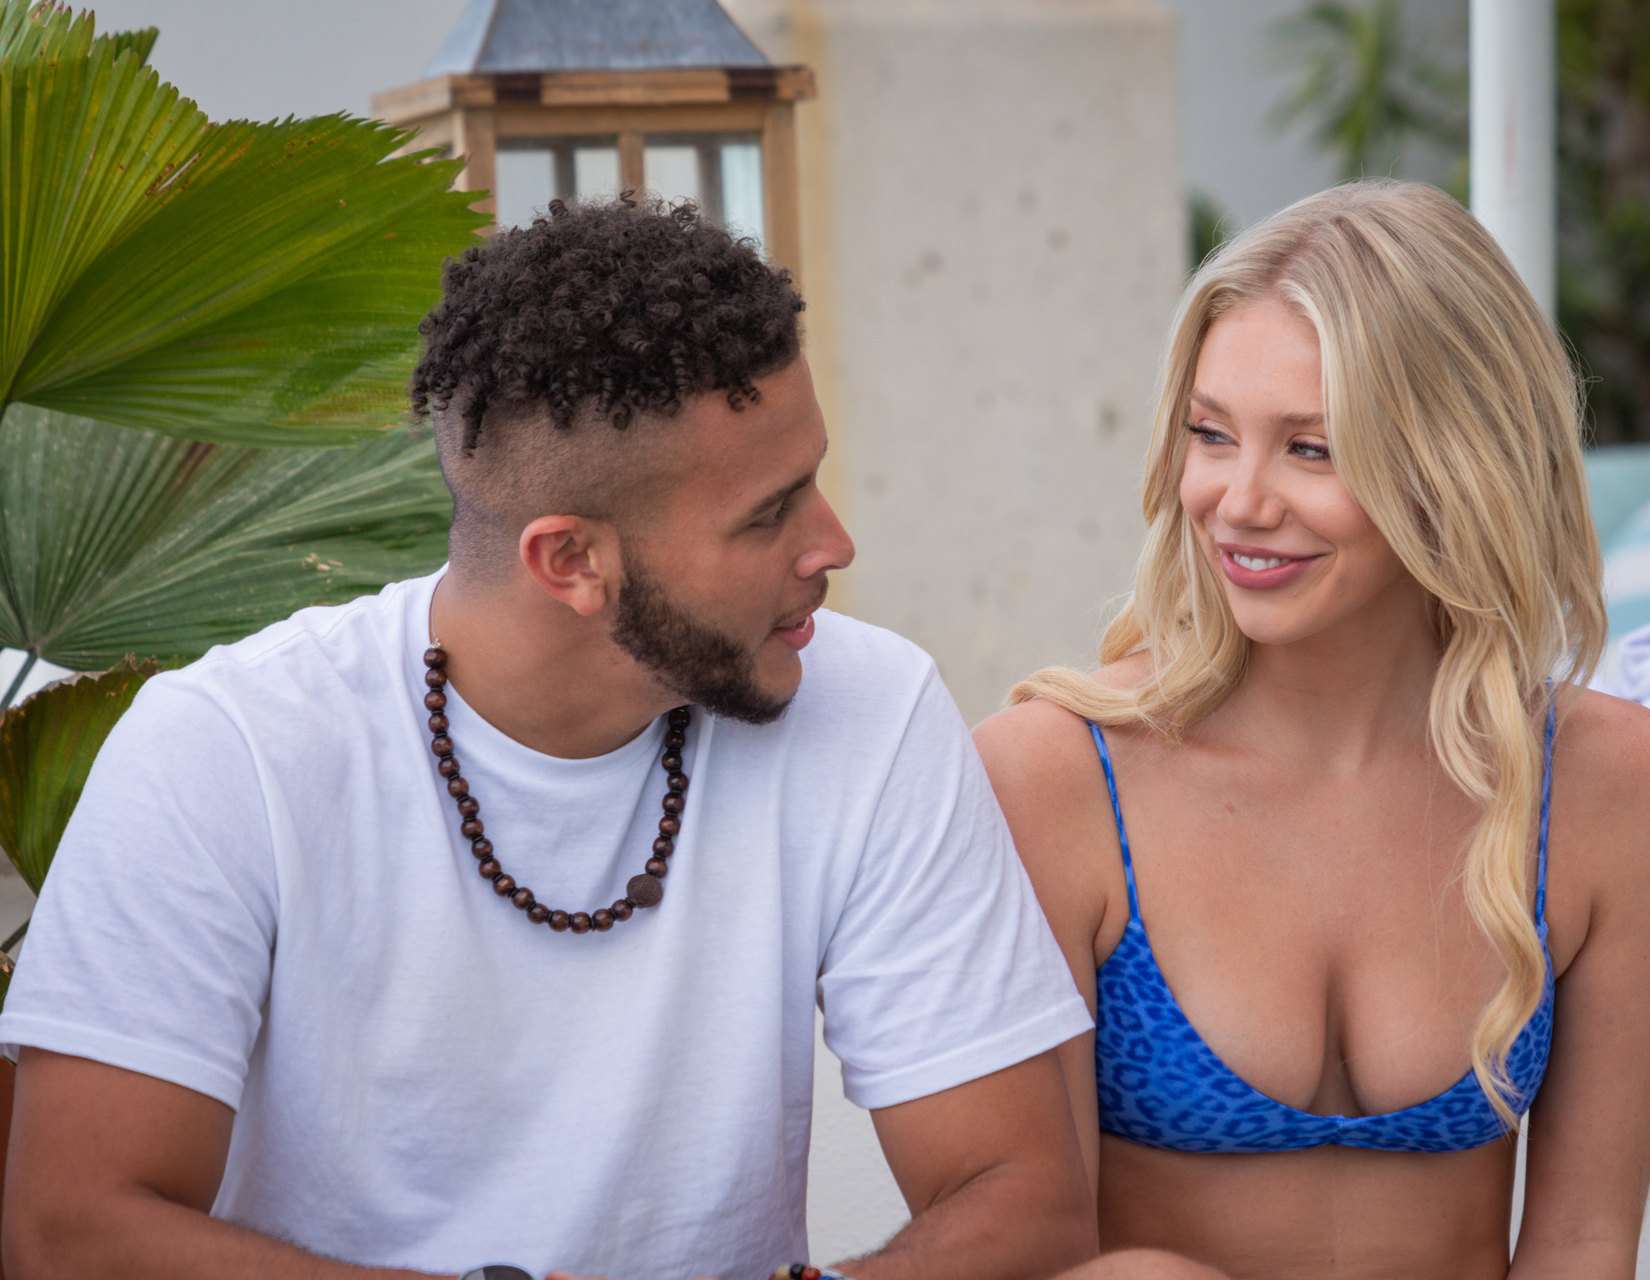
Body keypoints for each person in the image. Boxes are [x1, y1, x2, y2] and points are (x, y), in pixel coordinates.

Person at [0, 198, 1096, 1280]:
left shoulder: (870, 704)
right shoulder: (228, 749)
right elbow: (71, 1229)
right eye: (770, 512)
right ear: (569, 559)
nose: (833, 543)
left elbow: (1024, 1199)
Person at [973, 180, 1650, 1280]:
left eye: (1311, 449)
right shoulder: (1055, 777)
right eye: (1211, 434)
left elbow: (1584, 1241)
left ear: (1459, 465)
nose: (1237, 499)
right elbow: (1037, 1252)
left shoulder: (1608, 785)